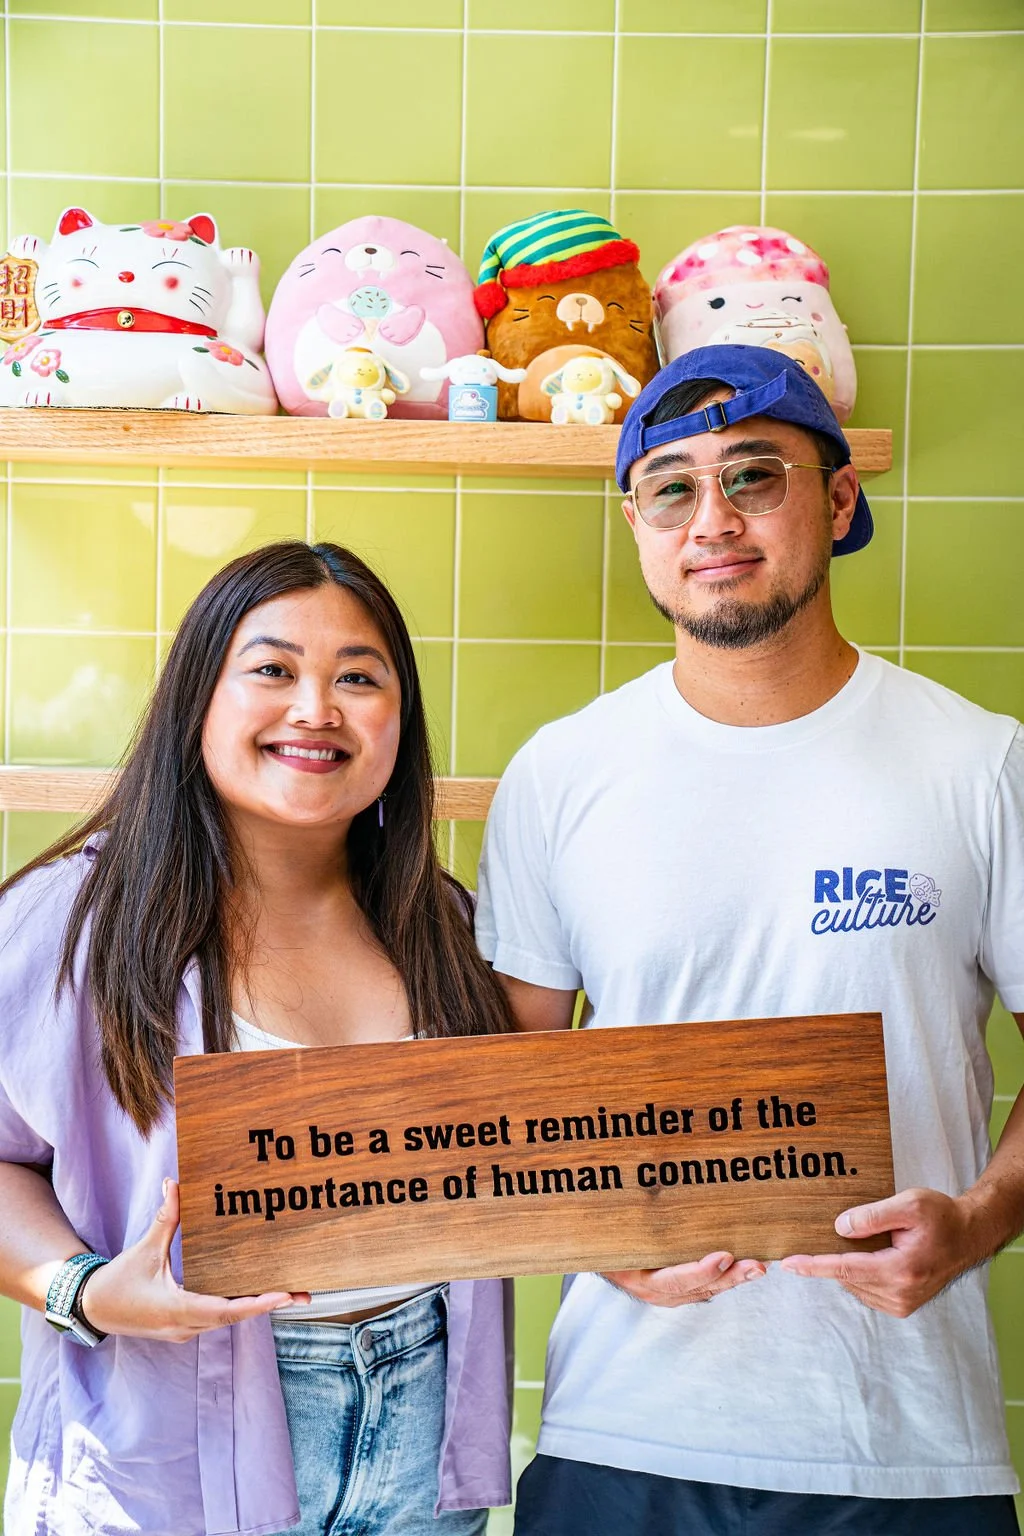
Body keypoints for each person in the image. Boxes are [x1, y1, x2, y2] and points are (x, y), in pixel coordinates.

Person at [476, 346, 1024, 1536]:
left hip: (908, 1447)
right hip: (621, 1436)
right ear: (636, 524)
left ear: (836, 499)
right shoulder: (561, 775)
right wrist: (594, 1239)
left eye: (753, 476)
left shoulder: (983, 764)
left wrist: (979, 1221)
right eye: (668, 486)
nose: (710, 519)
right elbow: (508, 1089)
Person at [0, 541, 514, 1536]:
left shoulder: (446, 923)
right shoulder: (70, 924)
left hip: (420, 1436)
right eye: (273, 670)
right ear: (200, 696)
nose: (315, 708)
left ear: (399, 723)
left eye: (357, 678)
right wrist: (86, 1289)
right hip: (170, 1451)